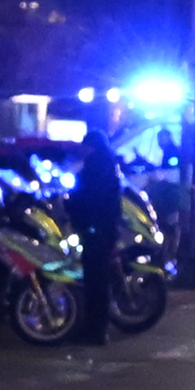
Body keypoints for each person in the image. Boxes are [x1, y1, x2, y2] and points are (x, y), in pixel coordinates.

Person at [69, 128, 125, 341]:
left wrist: (73, 207)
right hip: (102, 230)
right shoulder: (107, 165)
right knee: (98, 282)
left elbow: (89, 198)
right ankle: (96, 328)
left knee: (96, 282)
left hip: (96, 231)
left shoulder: (97, 167)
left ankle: (95, 331)